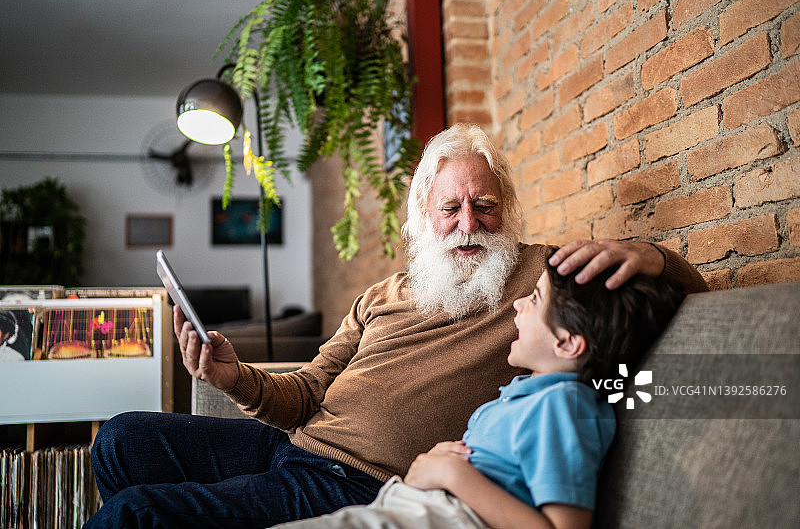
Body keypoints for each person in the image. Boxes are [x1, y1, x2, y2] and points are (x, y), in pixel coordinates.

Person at [87, 124, 707, 528]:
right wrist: (234, 378)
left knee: (135, 515)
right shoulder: (383, 294)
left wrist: (653, 256)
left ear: (507, 210)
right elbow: (306, 390)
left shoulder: (543, 281)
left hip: (362, 485)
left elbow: (676, 294)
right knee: (119, 439)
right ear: (423, 216)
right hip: (294, 447)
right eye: (451, 207)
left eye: (485, 206)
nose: (469, 224)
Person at [272, 249, 686, 529]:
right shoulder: (530, 392)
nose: (519, 304)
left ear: (567, 343)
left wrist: (452, 474)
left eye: (535, 298)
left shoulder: (563, 406)